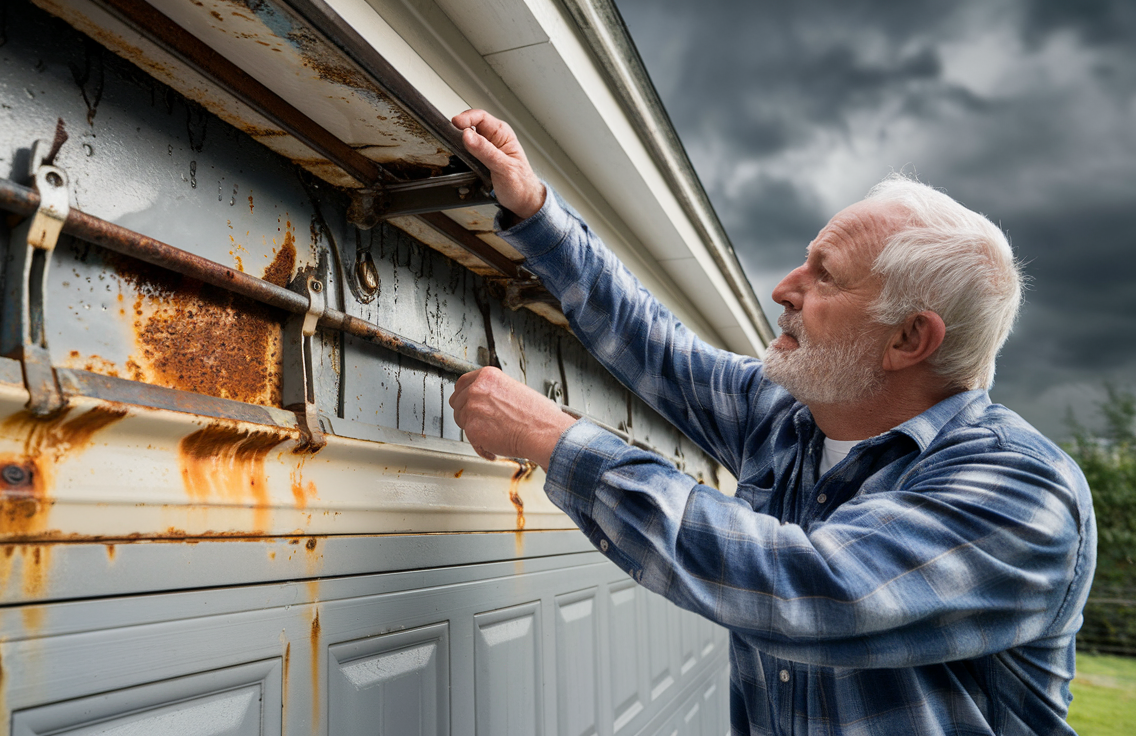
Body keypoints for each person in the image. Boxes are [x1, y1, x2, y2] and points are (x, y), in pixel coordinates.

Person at [447, 108, 1095, 735]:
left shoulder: (1024, 494)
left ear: (907, 339)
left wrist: (554, 440)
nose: (785, 289)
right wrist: (535, 211)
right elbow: (656, 348)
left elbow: (813, 591)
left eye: (825, 277)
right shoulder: (790, 417)